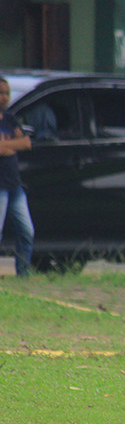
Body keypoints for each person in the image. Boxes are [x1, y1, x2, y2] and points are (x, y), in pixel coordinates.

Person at [0, 76, 35, 278]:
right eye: (1, 93)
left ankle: (23, 274)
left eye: (7, 93)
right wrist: (12, 145)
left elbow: (26, 143)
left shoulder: (11, 119)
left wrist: (6, 146)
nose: (4, 97)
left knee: (26, 231)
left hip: (15, 186)